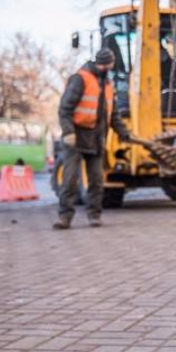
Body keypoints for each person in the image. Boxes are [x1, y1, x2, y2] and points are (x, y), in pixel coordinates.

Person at [54, 48, 130, 229]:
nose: (110, 67)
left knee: (96, 179)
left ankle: (94, 215)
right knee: (70, 179)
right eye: (109, 64)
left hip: (96, 139)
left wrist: (124, 133)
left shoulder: (108, 85)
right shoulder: (80, 79)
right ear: (106, 64)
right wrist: (68, 132)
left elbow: (114, 116)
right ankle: (65, 217)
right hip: (76, 137)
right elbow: (65, 109)